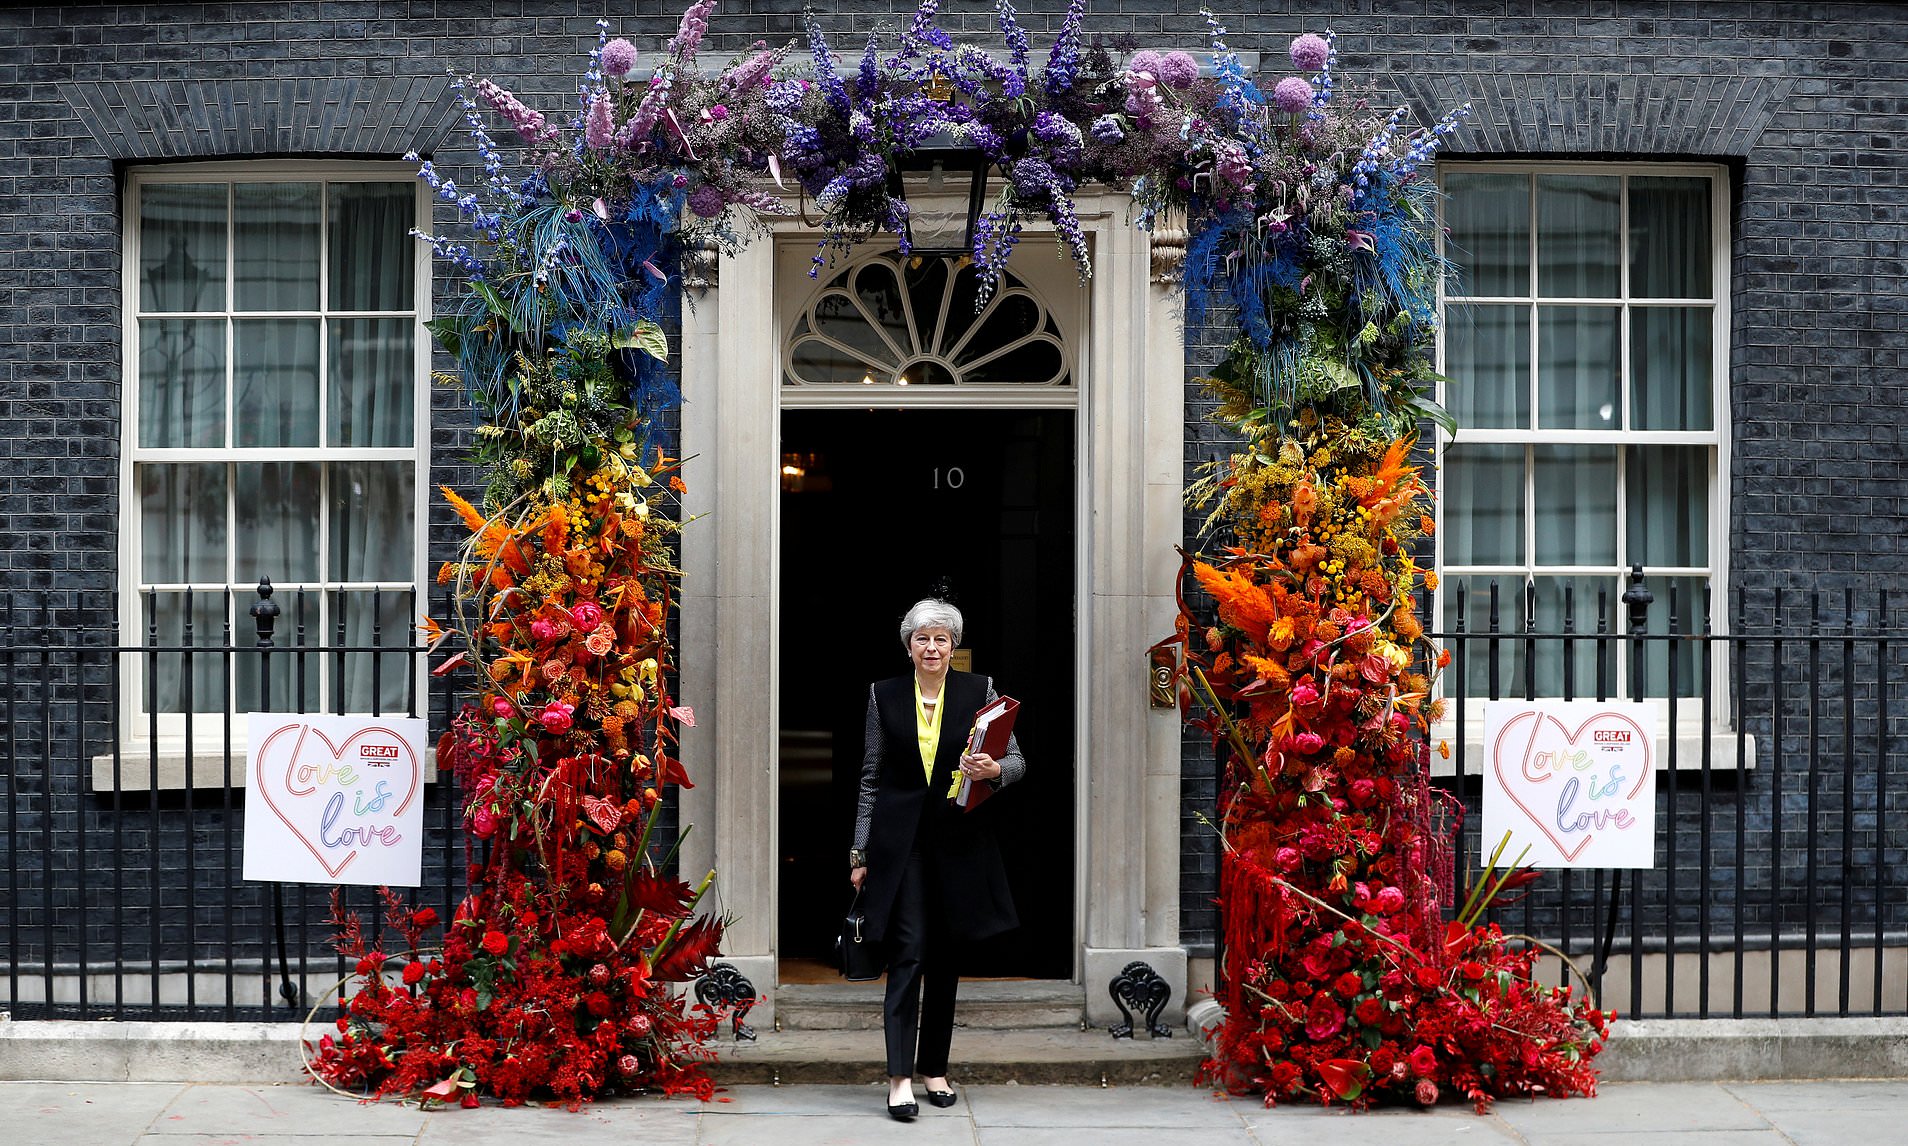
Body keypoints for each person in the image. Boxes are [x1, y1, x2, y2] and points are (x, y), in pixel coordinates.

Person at [849, 598, 1024, 1120]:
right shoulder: (884, 696)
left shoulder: (981, 692)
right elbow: (870, 777)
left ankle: (934, 1070)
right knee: (909, 951)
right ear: (909, 647)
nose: (932, 647)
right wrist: (860, 850)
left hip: (959, 841)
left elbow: (1016, 760)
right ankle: (900, 1076)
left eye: (941, 639)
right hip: (900, 846)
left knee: (946, 958)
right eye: (922, 639)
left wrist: (993, 768)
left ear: (954, 648)